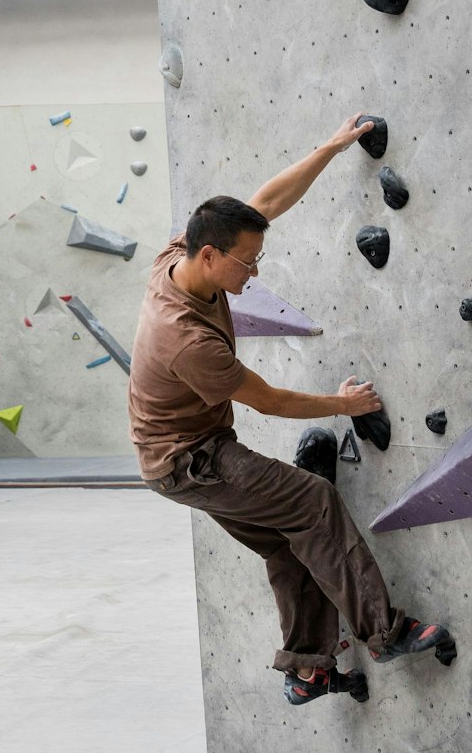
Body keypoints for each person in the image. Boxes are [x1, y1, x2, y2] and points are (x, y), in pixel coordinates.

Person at [128, 113, 453, 706]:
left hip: (178, 458)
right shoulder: (186, 339)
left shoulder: (178, 256)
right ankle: (384, 634)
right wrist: (344, 403)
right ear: (209, 255)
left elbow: (268, 201)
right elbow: (271, 402)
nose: (254, 274)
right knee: (313, 501)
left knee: (287, 540)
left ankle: (307, 670)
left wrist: (330, 147)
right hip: (191, 461)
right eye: (247, 264)